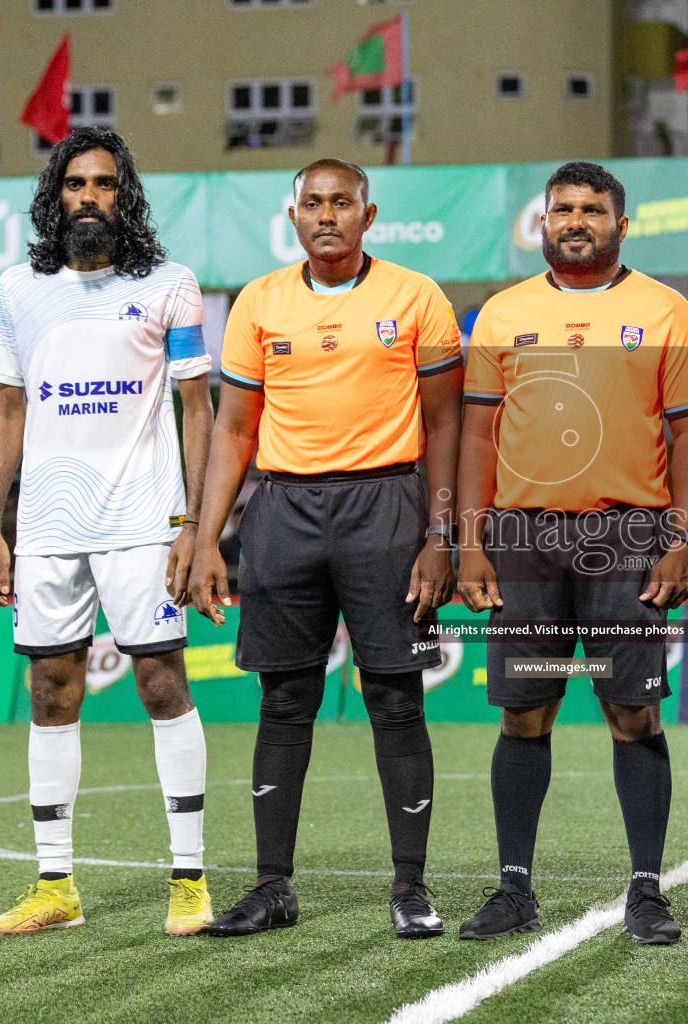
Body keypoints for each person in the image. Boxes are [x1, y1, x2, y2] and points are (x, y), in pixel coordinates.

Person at [188, 158, 462, 939]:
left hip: (387, 506)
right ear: (293, 214)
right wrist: (206, 539)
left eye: (343, 202)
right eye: (313, 203)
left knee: (396, 697)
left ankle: (410, 886)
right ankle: (273, 885)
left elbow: (447, 424)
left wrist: (441, 534)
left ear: (368, 215)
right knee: (283, 699)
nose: (328, 215)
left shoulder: (416, 297)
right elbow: (235, 428)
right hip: (282, 511)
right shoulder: (260, 301)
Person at [0, 127, 216, 938]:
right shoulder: (17, 291)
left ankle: (189, 878)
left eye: (105, 184)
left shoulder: (172, 284)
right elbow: (7, 412)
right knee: (50, 691)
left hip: (142, 521)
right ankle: (55, 887)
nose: (90, 197)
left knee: (160, 684)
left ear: (125, 195)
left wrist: (192, 525)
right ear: (55, 196)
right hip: (45, 525)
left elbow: (197, 408)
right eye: (76, 183)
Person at [456, 161, 688, 945]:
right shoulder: (502, 313)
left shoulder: (666, 311)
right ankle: (514, 889)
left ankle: (646, 891)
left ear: (620, 225)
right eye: (563, 208)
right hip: (525, 540)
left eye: (593, 209)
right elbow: (474, 437)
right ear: (543, 223)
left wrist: (686, 539)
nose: (576, 220)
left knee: (631, 712)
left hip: (628, 537)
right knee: (526, 713)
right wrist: (469, 543)